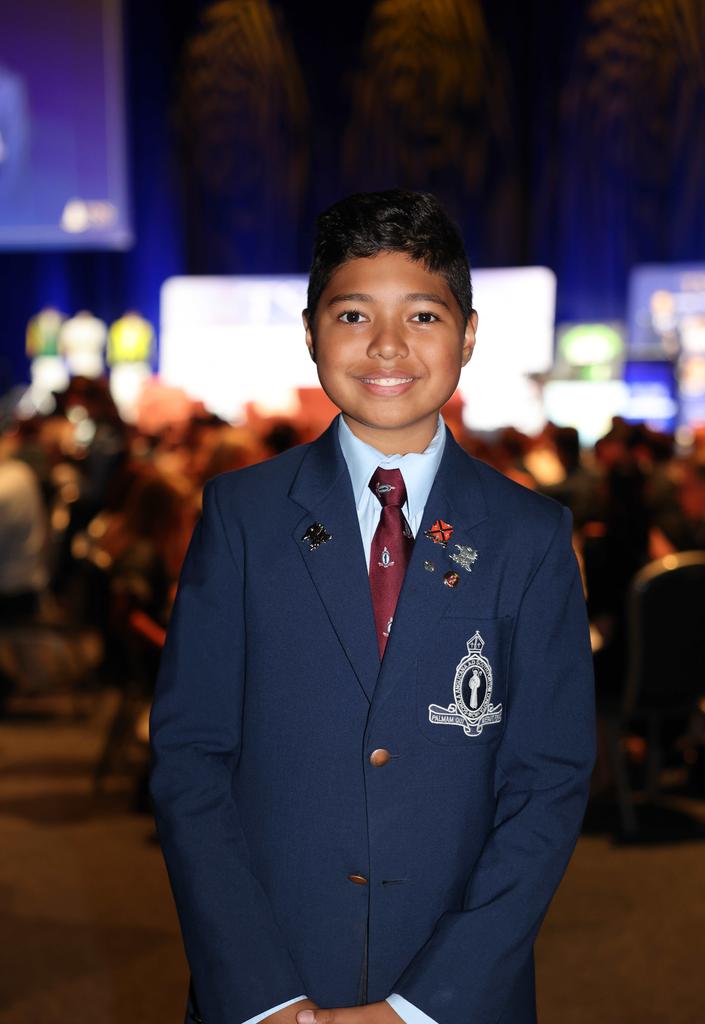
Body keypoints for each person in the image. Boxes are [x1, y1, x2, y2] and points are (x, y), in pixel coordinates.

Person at [150, 190, 596, 1024]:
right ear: (311, 331)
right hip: (272, 979)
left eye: (423, 317)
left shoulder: (530, 537)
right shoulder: (242, 517)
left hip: (457, 989)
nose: (387, 344)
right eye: (353, 314)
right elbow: (191, 761)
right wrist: (261, 994)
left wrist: (424, 1006)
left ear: (468, 334)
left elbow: (548, 783)